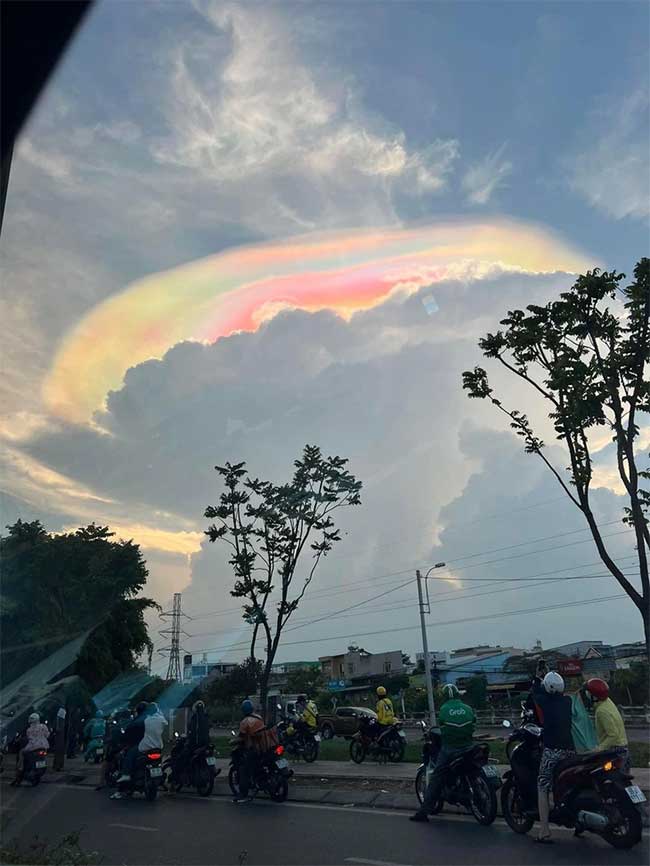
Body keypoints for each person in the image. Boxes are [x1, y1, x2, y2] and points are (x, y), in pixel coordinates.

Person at [410, 684, 476, 822]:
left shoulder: (444, 709)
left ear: (444, 696)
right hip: (469, 746)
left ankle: (423, 812)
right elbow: (473, 723)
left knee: (436, 777)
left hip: (451, 748)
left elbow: (442, 727)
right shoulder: (467, 708)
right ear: (458, 694)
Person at [530, 664, 575, 844]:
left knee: (542, 786)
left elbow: (536, 692)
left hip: (552, 751)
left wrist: (537, 677)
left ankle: (544, 830)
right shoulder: (567, 702)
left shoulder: (544, 701)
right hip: (570, 751)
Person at [584, 678, 629, 769]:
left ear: (594, 696)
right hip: (623, 748)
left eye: (588, 694)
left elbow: (613, 735)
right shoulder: (608, 702)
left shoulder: (602, 711)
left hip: (614, 751)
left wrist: (598, 749)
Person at [234, 699, 265, 804]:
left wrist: (232, 741)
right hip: (264, 748)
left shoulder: (245, 722)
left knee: (243, 770)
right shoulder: (259, 717)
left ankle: (243, 793)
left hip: (253, 749)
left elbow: (241, 737)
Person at [113, 701, 147, 794]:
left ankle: (126, 774)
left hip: (138, 746)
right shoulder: (150, 720)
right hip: (152, 746)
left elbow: (128, 734)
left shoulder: (137, 721)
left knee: (126, 757)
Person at [11, 712, 50, 785]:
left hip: (33, 746)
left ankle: (20, 767)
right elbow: (47, 735)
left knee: (21, 752)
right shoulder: (44, 726)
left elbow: (28, 738)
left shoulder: (29, 730)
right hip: (44, 746)